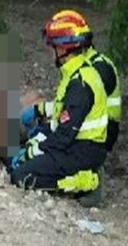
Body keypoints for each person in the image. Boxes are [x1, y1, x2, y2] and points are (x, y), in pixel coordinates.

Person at [10, 10, 111, 197]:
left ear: (64, 48)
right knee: (27, 152)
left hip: (80, 152)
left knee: (21, 176)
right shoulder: (76, 73)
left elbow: (64, 135)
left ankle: (87, 182)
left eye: (52, 45)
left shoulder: (80, 84)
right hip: (78, 145)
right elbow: (61, 111)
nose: (50, 51)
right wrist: (37, 113)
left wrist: (33, 151)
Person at [25, 9, 121, 151]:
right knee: (35, 104)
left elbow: (76, 107)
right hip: (82, 125)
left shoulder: (96, 69)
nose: (50, 50)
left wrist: (44, 136)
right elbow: (69, 104)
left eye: (54, 46)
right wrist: (39, 110)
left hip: (96, 136)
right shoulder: (80, 64)